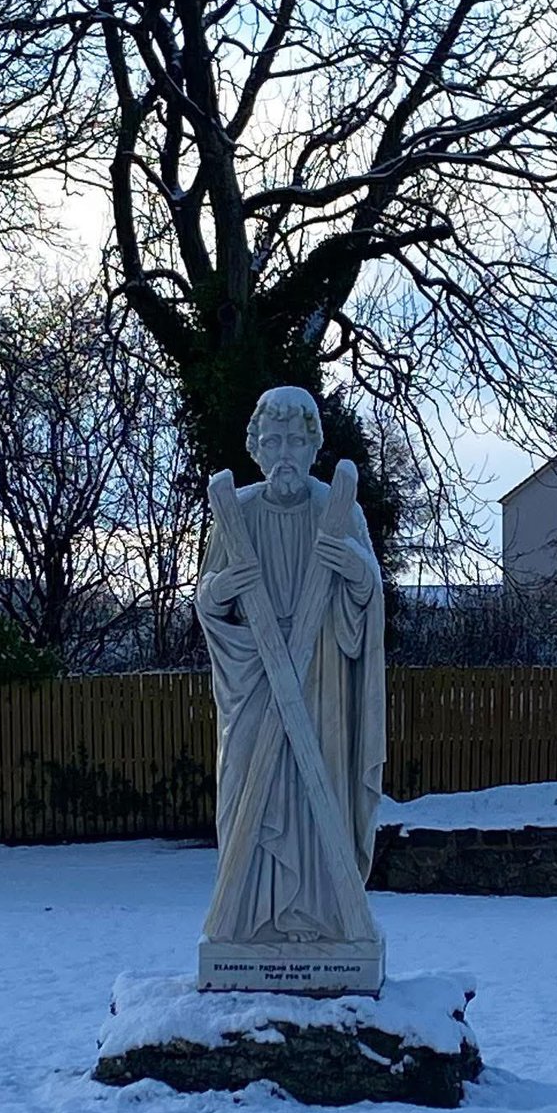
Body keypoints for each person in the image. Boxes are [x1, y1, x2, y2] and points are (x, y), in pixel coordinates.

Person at [195, 386, 385, 945]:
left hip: (321, 672)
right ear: (256, 447)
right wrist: (218, 592)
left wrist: (355, 572)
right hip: (254, 677)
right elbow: (211, 601)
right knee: (246, 790)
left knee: (316, 791)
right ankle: (249, 920)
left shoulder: (338, 509)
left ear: (312, 446)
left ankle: (322, 918)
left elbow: (368, 604)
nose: (283, 453)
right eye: (272, 440)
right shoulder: (237, 513)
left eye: (295, 441)